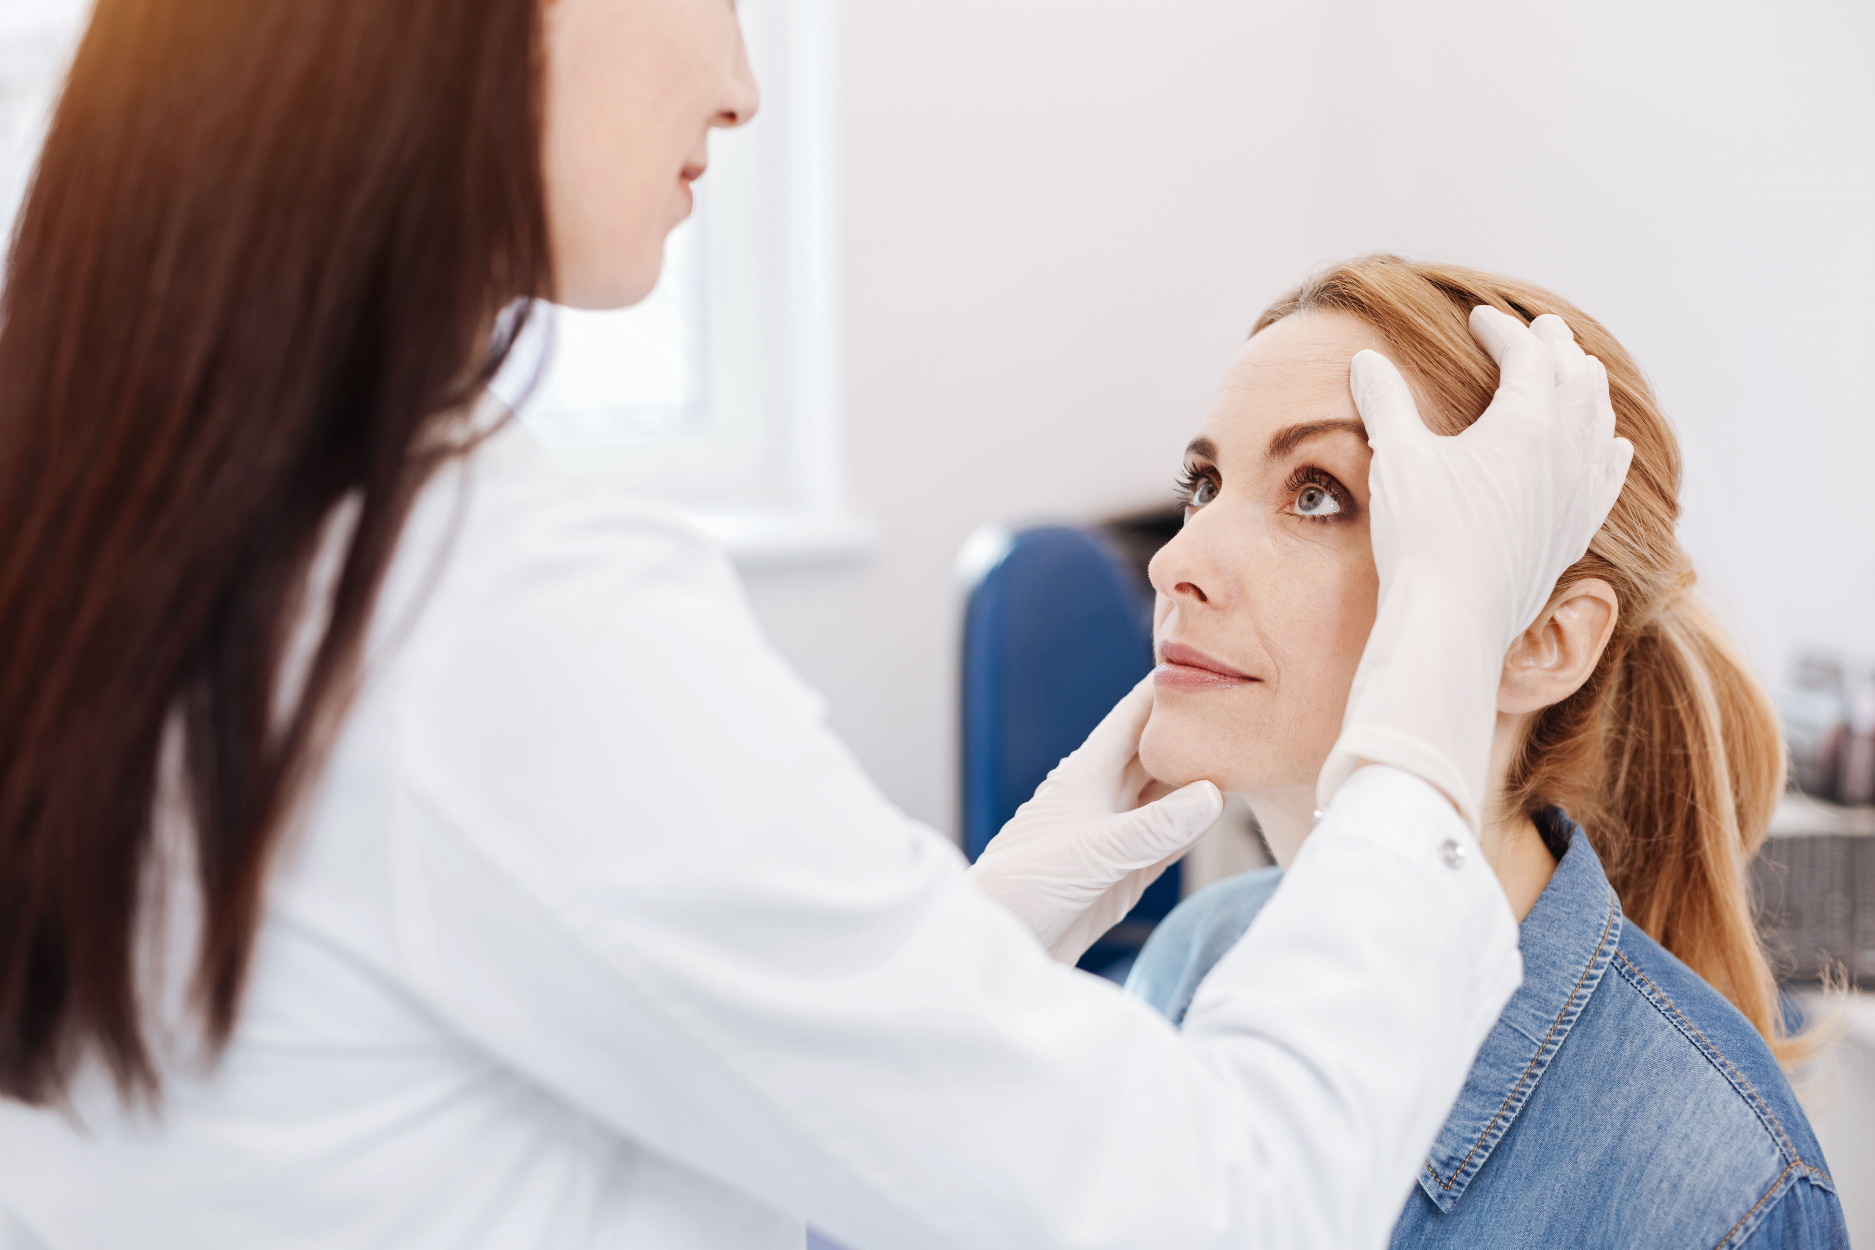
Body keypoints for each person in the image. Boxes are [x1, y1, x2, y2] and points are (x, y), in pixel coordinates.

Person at [0, 2, 1628, 1248]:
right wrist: (1418, 729)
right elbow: (1223, 1209)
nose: (742, 77)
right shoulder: (491, 607)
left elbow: (689, 1109)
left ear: (1550, 637)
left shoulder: (174, 537)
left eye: (1325, 496)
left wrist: (978, 940)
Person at [1126, 256, 1850, 1250]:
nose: (1176, 561)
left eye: (1321, 493)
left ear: (1543, 639)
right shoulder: (1191, 961)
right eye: (1202, 484)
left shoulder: (1715, 1181)